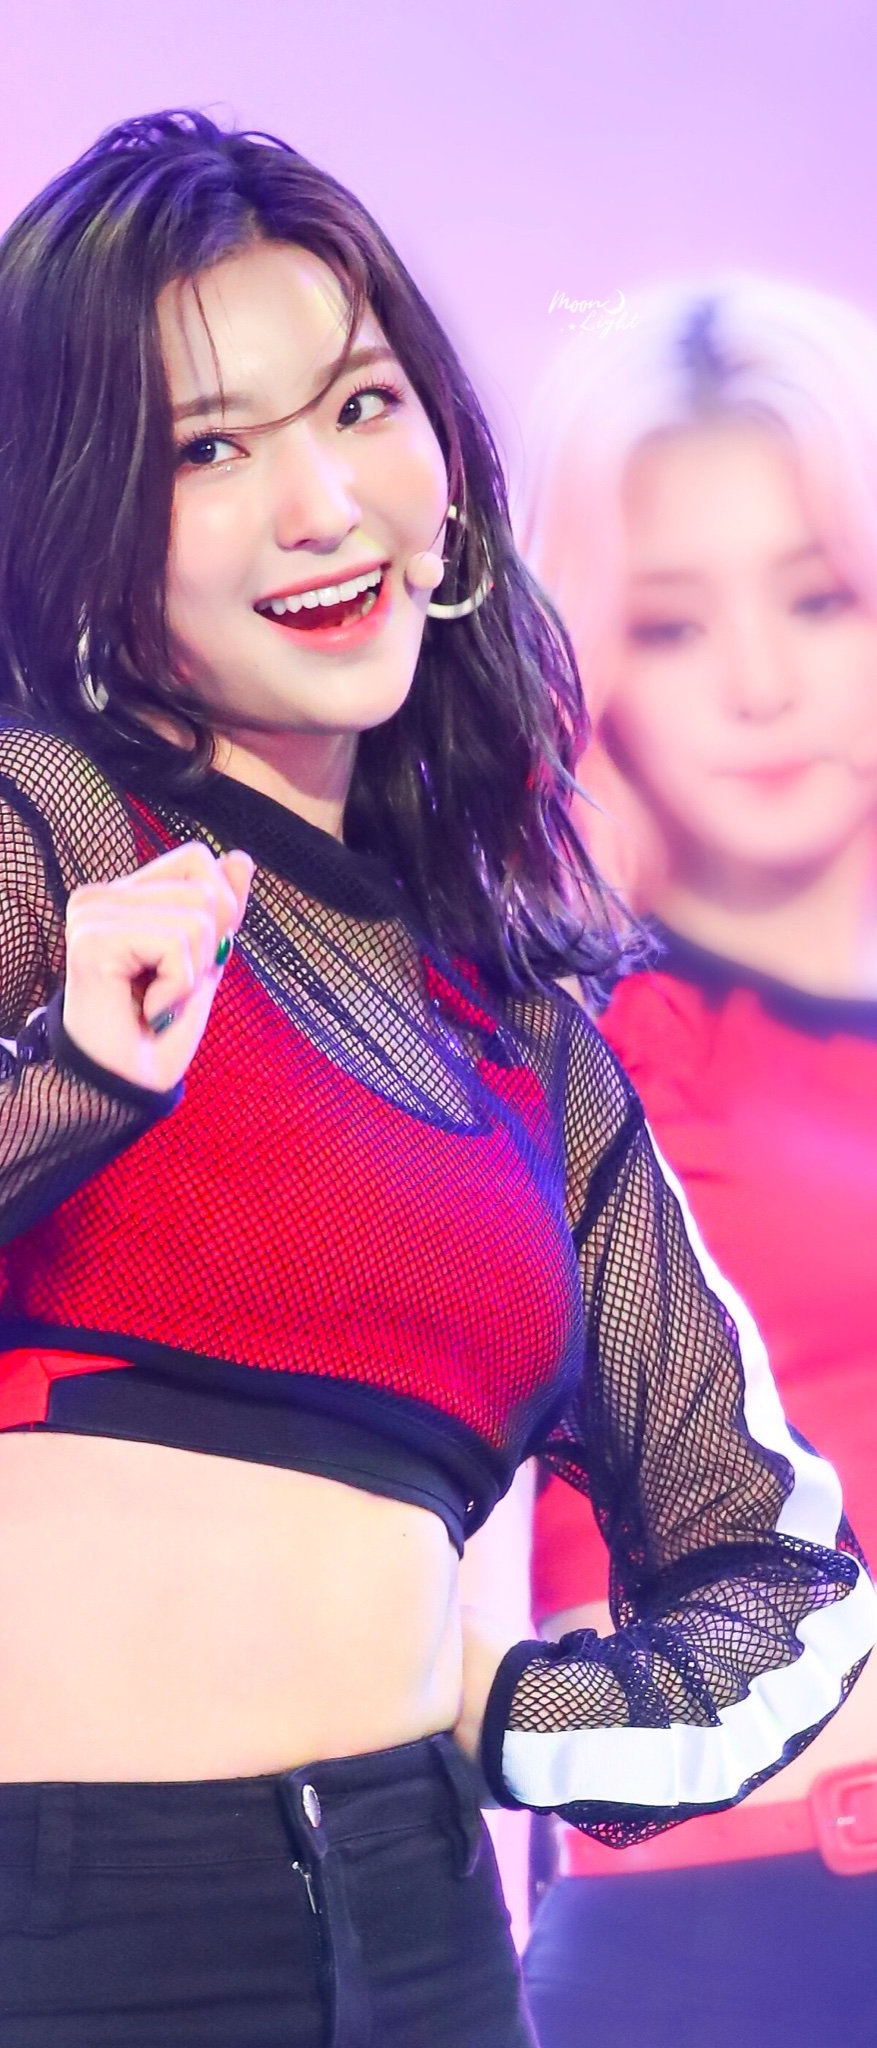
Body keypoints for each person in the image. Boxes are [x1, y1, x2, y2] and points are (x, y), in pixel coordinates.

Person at [0, 118, 876, 2048]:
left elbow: (781, 1568)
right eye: (208, 449)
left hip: (433, 1939)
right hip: (66, 1934)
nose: (321, 505)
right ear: (84, 521)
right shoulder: (30, 830)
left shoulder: (520, 1041)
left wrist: (528, 1723)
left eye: (359, 407)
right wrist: (65, 1084)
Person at [517, 275, 877, 2048]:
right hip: (727, 1940)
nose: (756, 685)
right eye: (669, 625)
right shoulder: (568, 1059)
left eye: (817, 598)